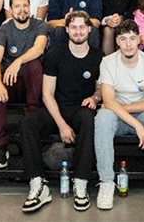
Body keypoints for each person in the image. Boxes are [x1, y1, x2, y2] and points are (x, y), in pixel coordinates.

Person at [19, 11, 103, 213]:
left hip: (80, 109)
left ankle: (81, 182)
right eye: (73, 27)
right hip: (57, 108)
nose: (78, 31)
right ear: (66, 30)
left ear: (89, 29)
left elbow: (101, 89)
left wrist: (95, 98)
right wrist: (61, 125)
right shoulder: (55, 54)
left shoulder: (98, 57)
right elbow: (47, 94)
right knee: (27, 123)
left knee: (88, 119)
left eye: (82, 27)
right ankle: (38, 183)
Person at [95, 20, 144, 211]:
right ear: (117, 42)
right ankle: (106, 181)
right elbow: (108, 101)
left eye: (132, 38)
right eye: (123, 39)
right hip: (118, 118)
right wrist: (136, 125)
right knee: (102, 118)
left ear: (139, 39)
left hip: (143, 113)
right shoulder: (107, 62)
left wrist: (122, 108)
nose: (128, 44)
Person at [0, 0, 48, 169]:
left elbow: (39, 48)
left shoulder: (39, 26)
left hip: (32, 84)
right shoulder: (4, 29)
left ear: (29, 7)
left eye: (25, 5)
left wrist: (18, 61)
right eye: (17, 6)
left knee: (34, 65)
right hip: (12, 83)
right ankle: (0, 145)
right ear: (11, 9)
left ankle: (30, 131)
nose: (22, 10)